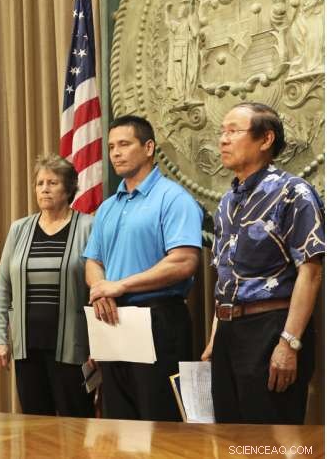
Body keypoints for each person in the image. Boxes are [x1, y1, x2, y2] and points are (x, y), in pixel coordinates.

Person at [201, 103, 324, 424]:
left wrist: (290, 343)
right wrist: (217, 334)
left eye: (233, 131)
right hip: (228, 332)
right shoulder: (227, 202)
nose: (223, 140)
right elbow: (225, 278)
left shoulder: (293, 192)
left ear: (265, 139)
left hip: (271, 329)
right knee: (229, 438)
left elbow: (311, 272)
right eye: (222, 132)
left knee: (269, 438)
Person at [83, 115, 203, 421]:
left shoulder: (173, 198)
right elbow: (93, 262)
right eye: (111, 147)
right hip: (111, 318)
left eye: (124, 144)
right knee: (118, 423)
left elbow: (184, 261)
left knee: (160, 422)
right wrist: (101, 291)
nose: (116, 153)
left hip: (159, 318)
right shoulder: (107, 207)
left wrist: (121, 286)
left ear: (148, 147)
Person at [0, 154, 94, 417]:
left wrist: (99, 347)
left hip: (73, 347)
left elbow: (97, 289)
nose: (44, 189)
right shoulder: (19, 229)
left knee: (76, 425)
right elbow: (4, 288)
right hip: (28, 346)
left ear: (69, 189)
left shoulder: (88, 227)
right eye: (40, 183)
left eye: (53, 182)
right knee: (35, 428)